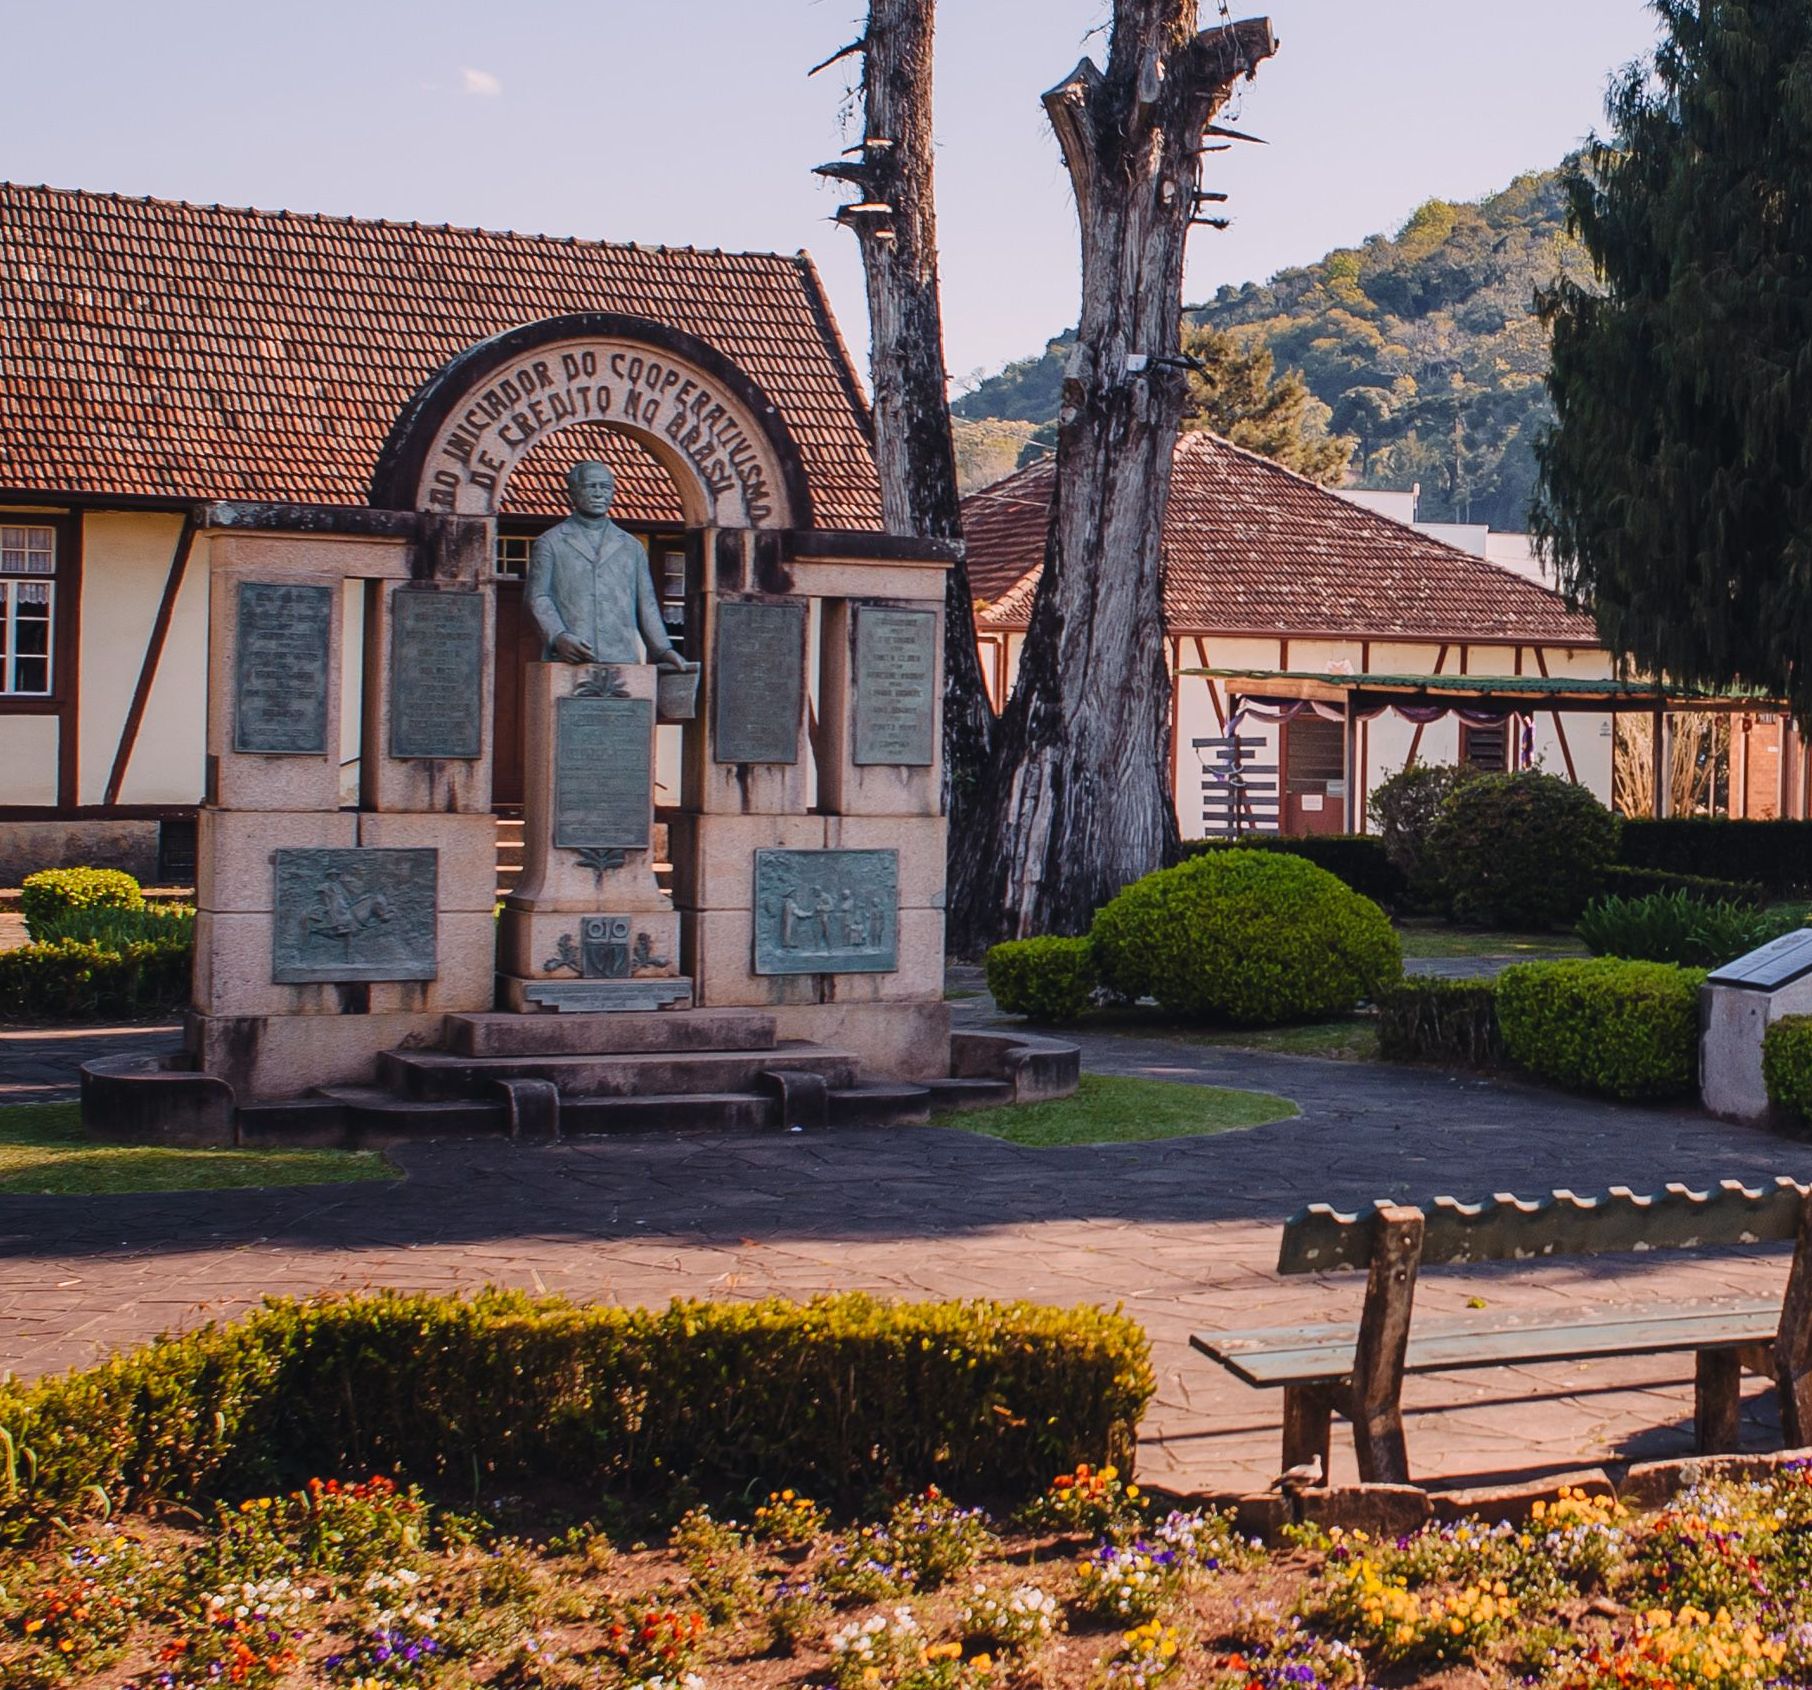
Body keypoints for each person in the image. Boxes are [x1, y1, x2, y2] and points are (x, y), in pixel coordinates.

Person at [525, 461, 696, 670]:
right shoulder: (550, 542)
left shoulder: (632, 547)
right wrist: (558, 636)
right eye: (591, 486)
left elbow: (647, 604)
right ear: (573, 492)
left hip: (621, 656)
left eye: (605, 487)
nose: (599, 494)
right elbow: (538, 597)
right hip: (570, 656)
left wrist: (663, 650)